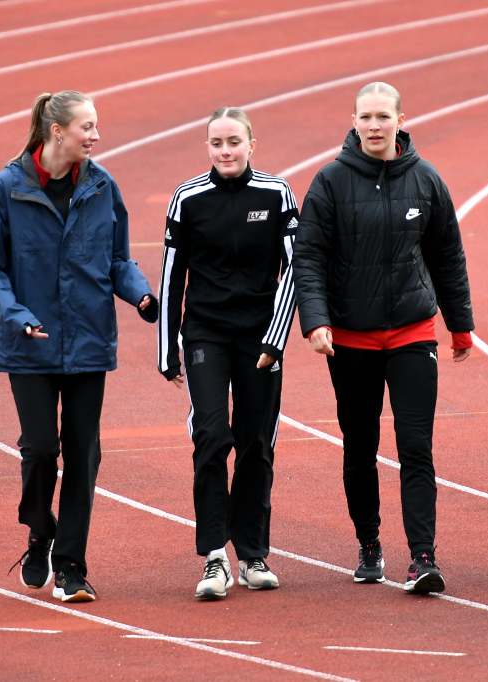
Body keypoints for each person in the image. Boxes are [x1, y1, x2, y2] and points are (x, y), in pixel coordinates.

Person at [0, 90, 158, 602]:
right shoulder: (7, 188)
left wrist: (140, 294)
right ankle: (39, 531)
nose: (96, 136)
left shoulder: (102, 185)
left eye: (96, 127)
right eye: (87, 127)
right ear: (57, 131)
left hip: (88, 342)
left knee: (83, 454)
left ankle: (71, 565)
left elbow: (118, 259)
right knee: (39, 450)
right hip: (28, 346)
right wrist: (18, 315)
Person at [293, 82, 474, 595]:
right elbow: (308, 258)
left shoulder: (426, 180)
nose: (374, 125)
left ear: (400, 119)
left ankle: (422, 557)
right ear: (353, 121)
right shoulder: (328, 182)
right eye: (365, 117)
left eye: (382, 116)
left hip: (413, 331)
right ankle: (369, 545)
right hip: (350, 338)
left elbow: (447, 256)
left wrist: (460, 325)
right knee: (361, 445)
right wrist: (316, 320)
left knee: (416, 445)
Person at [157, 107, 298, 600]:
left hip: (262, 338)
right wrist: (166, 351)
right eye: (217, 143)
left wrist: (275, 338)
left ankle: (254, 554)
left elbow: (297, 270)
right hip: (207, 335)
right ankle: (215, 556)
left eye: (234, 142)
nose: (225, 151)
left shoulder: (277, 193)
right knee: (213, 435)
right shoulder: (188, 198)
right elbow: (172, 276)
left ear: (251, 145)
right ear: (208, 148)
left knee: (257, 443)